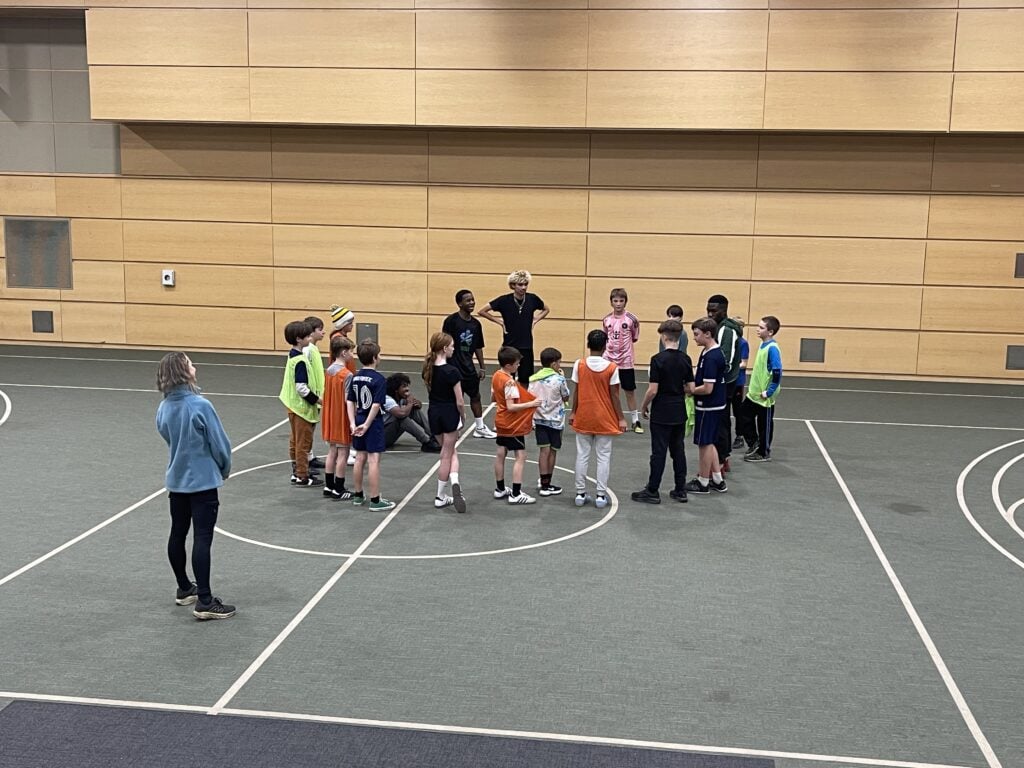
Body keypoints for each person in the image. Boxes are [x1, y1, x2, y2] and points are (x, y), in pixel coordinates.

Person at [155, 352, 235, 620]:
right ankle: (205, 600)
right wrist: (223, 469)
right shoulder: (201, 405)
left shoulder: (164, 407)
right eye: (190, 363)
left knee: (177, 533)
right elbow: (220, 444)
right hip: (202, 483)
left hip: (176, 482)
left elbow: (165, 434)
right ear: (183, 371)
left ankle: (183, 587)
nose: (194, 366)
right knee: (202, 538)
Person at [632, 319, 694, 504]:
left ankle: (653, 489)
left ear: (664, 337)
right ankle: (680, 488)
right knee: (678, 451)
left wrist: (644, 406)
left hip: (661, 411)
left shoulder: (657, 360)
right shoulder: (686, 359)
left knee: (658, 452)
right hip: (678, 409)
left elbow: (653, 390)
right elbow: (690, 387)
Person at [569, 330, 626, 509]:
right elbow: (615, 396)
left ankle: (580, 493)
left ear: (588, 344)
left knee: (582, 455)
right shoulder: (612, 368)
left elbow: (576, 391)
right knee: (603, 457)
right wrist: (621, 418)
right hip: (604, 417)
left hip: (584, 415)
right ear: (605, 346)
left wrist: (573, 412)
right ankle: (601, 495)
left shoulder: (579, 364)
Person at [347, 339, 395, 511]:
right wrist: (367, 424)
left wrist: (353, 423)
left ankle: (358, 495)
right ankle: (375, 499)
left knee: (360, 457)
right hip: (372, 422)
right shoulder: (379, 379)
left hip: (358, 419)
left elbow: (350, 401)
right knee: (374, 460)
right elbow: (376, 404)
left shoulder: (355, 377)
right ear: (375, 358)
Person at [478, 269, 550, 385]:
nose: (523, 287)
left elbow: (546, 309)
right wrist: (499, 321)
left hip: (526, 346)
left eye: (526, 284)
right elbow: (482, 311)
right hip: (509, 346)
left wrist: (535, 320)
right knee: (507, 379)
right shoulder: (504, 300)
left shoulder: (532, 299)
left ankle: (522, 401)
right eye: (520, 285)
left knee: (526, 379)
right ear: (513, 286)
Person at [443, 289, 496, 439]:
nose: (472, 303)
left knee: (475, 396)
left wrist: (482, 366)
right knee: (453, 398)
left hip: (468, 367)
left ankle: (479, 427)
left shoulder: (476, 324)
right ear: (460, 304)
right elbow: (444, 343)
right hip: (453, 366)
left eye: (473, 299)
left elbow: (478, 346)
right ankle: (454, 425)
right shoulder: (451, 321)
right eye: (468, 300)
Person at [423, 332, 467, 512]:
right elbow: (460, 400)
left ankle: (451, 488)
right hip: (449, 413)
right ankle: (442, 494)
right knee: (447, 455)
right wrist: (463, 417)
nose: (454, 349)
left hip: (434, 413)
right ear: (444, 348)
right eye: (452, 346)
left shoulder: (428, 368)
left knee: (448, 452)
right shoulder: (452, 371)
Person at [491, 346, 541, 504]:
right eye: (517, 363)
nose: (519, 365)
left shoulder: (496, 375)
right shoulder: (510, 382)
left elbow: (493, 397)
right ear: (508, 365)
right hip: (512, 424)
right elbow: (511, 407)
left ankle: (500, 489)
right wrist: (532, 403)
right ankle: (516, 493)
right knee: (521, 456)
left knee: (501, 453)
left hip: (500, 421)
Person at [685, 317, 728, 495]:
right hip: (714, 405)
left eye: (697, 334)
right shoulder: (709, 351)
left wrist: (689, 390)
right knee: (710, 442)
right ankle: (718, 480)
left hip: (709, 406)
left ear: (708, 334)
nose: (694, 338)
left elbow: (708, 388)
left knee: (704, 443)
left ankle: (703, 481)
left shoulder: (711, 357)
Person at [279, 319, 323, 487]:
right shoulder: (301, 361)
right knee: (303, 443)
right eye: (307, 335)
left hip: (293, 406)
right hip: (301, 408)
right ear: (299, 339)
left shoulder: (293, 355)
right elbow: (302, 388)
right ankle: (303, 475)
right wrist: (318, 400)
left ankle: (296, 471)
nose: (310, 337)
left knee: (295, 441)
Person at [706, 294, 743, 471]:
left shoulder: (726, 331)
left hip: (723, 384)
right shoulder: (718, 328)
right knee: (723, 421)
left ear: (724, 310)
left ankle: (720, 461)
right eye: (708, 310)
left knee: (720, 422)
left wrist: (710, 380)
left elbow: (725, 362)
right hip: (723, 383)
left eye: (714, 310)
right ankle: (724, 456)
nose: (710, 314)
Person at [527, 347, 570, 497]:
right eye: (559, 362)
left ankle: (543, 481)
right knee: (552, 451)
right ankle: (547, 484)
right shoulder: (559, 379)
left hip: (539, 419)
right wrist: (562, 377)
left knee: (543, 451)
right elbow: (566, 397)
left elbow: (530, 398)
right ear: (553, 364)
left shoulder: (533, 379)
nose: (560, 365)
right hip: (555, 420)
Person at [741, 316, 783, 463]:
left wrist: (769, 391)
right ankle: (754, 443)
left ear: (770, 332)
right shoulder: (762, 344)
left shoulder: (772, 349)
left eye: (761, 327)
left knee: (764, 425)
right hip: (754, 394)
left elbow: (777, 372)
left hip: (764, 396)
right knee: (743, 415)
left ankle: (764, 452)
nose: (757, 329)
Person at [602, 288, 643, 434]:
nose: (618, 304)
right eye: (615, 301)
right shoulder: (606, 320)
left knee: (629, 390)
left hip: (626, 360)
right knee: (612, 390)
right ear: (611, 302)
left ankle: (635, 420)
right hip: (609, 360)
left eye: (621, 301)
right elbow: (606, 337)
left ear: (625, 302)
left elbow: (635, 337)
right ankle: (614, 418)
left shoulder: (632, 319)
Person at [321, 335, 354, 501]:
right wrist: (353, 420)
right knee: (343, 452)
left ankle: (328, 485)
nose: (352, 355)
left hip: (330, 415)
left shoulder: (329, 371)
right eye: (350, 352)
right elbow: (348, 399)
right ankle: (339, 488)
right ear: (343, 353)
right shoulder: (346, 375)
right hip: (341, 416)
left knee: (332, 451)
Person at [383, 373, 440, 452]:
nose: (407, 389)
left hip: (389, 434)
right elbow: (401, 414)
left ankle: (434, 435)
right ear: (396, 390)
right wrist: (410, 403)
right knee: (402, 418)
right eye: (404, 386)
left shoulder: (400, 397)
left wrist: (417, 404)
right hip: (381, 438)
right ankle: (426, 442)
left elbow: (415, 405)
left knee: (413, 409)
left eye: (407, 386)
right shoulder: (387, 399)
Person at [303, 315, 327, 473]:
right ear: (311, 332)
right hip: (309, 398)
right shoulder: (307, 350)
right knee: (305, 431)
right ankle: (303, 463)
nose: (323, 332)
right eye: (320, 329)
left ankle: (309, 456)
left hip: (316, 396)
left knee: (311, 428)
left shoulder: (314, 348)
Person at [732, 328, 751, 454]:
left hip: (737, 381)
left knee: (738, 410)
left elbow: (744, 364)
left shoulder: (743, 343)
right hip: (728, 380)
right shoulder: (729, 342)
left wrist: (730, 366)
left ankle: (740, 436)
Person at [328, 305, 357, 374]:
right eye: (350, 323)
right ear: (343, 324)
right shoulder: (338, 339)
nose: (352, 325)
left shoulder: (340, 337)